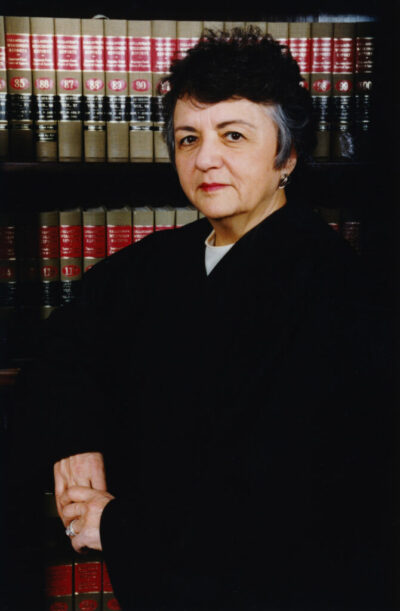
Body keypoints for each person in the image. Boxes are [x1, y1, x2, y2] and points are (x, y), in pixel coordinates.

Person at [12, 27, 393, 610]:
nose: (205, 158)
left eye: (233, 135)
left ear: (286, 155)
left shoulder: (344, 299)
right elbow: (61, 350)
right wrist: (76, 439)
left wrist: (114, 527)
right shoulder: (153, 265)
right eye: (188, 138)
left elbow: (295, 520)